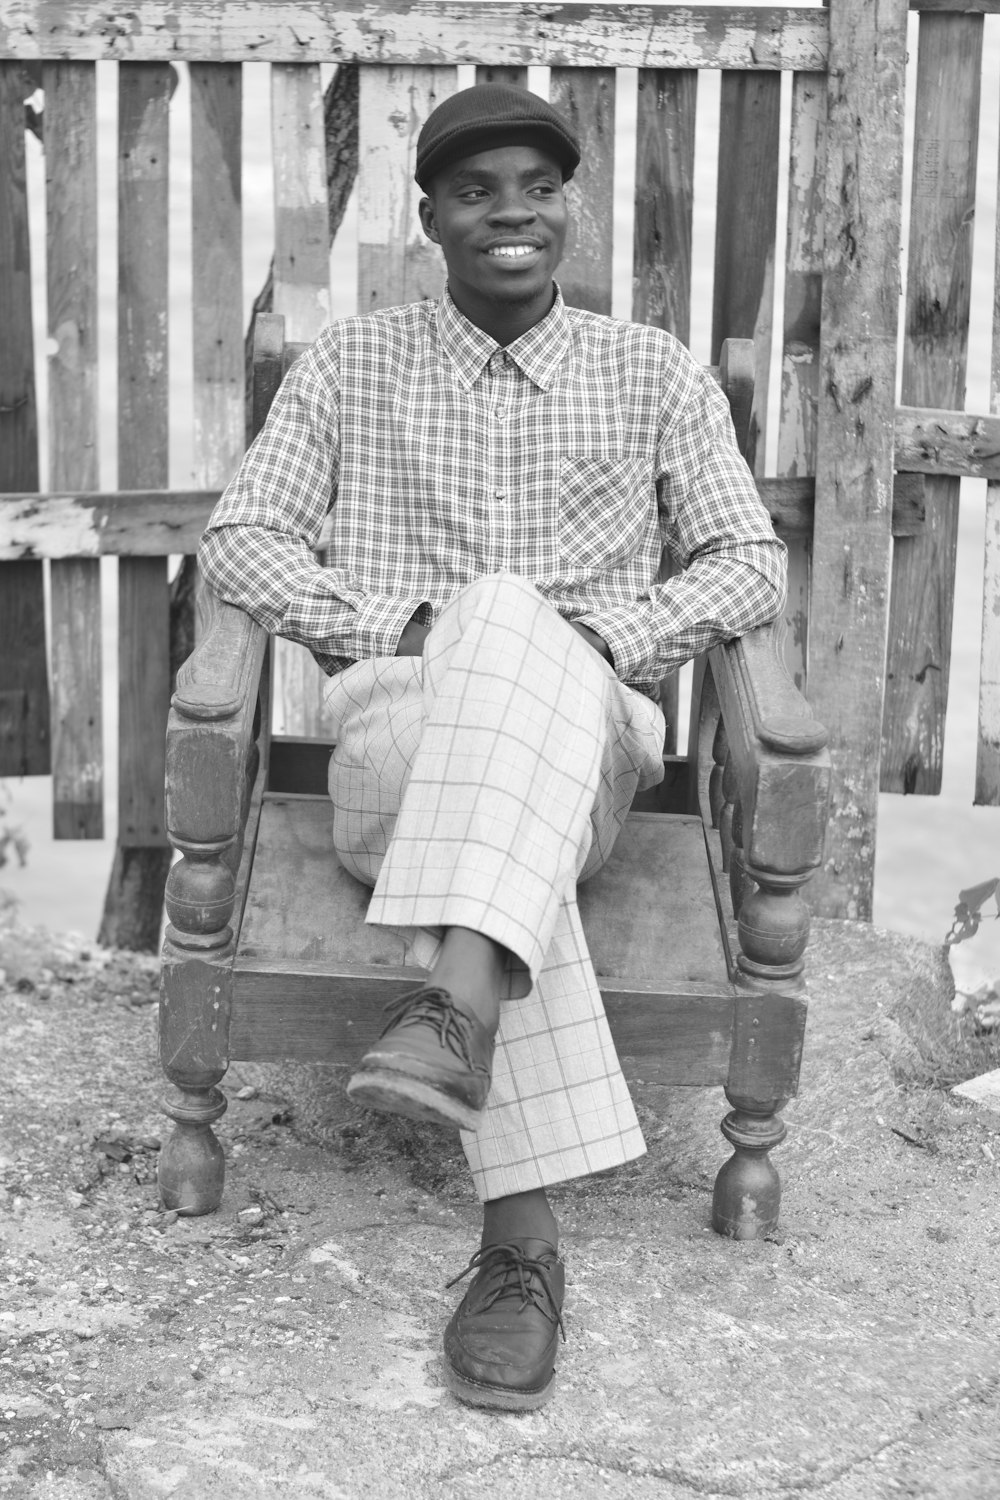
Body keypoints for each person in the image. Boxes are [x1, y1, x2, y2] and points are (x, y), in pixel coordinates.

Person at [199, 83, 786, 1412]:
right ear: (431, 221)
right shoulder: (351, 366)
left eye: (535, 185)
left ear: (569, 207)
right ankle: (515, 1232)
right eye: (475, 191)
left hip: (589, 756)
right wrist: (404, 620)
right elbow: (242, 539)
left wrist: (611, 634)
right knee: (490, 623)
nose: (509, 209)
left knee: (522, 629)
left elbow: (750, 562)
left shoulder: (654, 371)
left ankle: (461, 1036)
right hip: (391, 753)